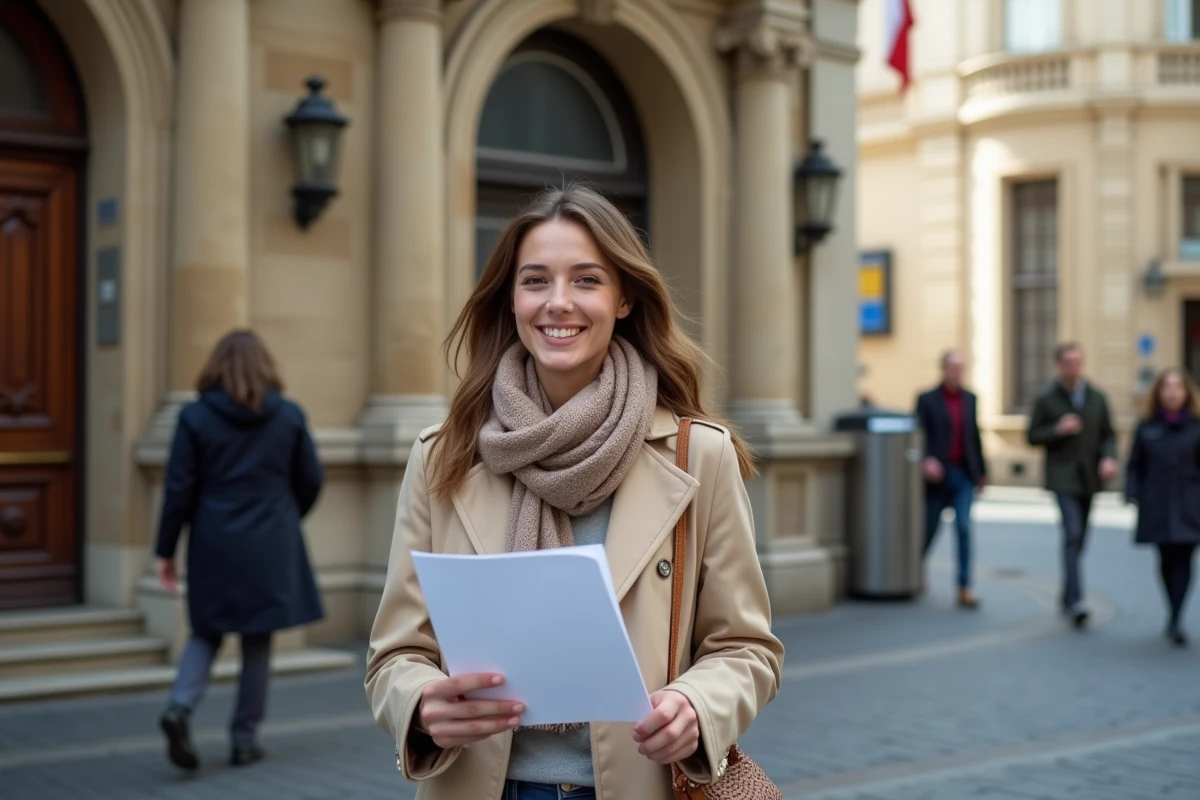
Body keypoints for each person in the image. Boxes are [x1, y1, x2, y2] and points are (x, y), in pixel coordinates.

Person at [364, 186, 784, 800]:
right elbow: (395, 654)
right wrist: (422, 706)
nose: (558, 303)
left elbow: (747, 648)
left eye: (586, 280)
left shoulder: (701, 455)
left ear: (624, 299)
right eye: (535, 281)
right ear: (511, 300)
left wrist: (698, 706)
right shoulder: (444, 457)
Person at [154, 329, 325, 771]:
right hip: (271, 540)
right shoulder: (288, 415)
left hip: (214, 540)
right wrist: (286, 516)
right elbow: (311, 479)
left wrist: (165, 550)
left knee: (206, 630)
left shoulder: (194, 417)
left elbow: (178, 490)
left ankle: (179, 707)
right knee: (257, 640)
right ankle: (244, 740)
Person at [1026, 342, 1117, 629]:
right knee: (1072, 532)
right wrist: (1057, 429)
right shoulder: (1047, 398)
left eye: (1077, 362)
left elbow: (1108, 434)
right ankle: (1076, 600)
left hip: (1089, 476)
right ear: (1058, 365)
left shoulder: (1096, 397)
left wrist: (1109, 458)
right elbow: (1032, 435)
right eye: (1067, 362)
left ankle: (1068, 593)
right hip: (1062, 476)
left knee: (1080, 538)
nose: (1073, 367)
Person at [1125, 367, 1200, 647]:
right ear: (1158, 392)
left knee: (1184, 559)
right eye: (1167, 387)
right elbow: (1135, 465)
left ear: (1186, 392)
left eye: (1177, 387)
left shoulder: (1196, 426)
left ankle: (1176, 618)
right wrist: (1132, 493)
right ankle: (1173, 610)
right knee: (1165, 560)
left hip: (1190, 506)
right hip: (1156, 503)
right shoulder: (1147, 426)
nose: (1172, 392)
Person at [915, 350, 987, 608]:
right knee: (929, 529)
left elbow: (974, 435)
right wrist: (925, 459)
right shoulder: (927, 399)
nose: (957, 372)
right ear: (943, 369)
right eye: (953, 368)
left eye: (961, 368)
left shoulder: (970, 399)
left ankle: (964, 586)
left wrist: (982, 472)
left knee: (964, 527)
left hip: (963, 474)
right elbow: (917, 434)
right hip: (937, 476)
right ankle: (914, 571)